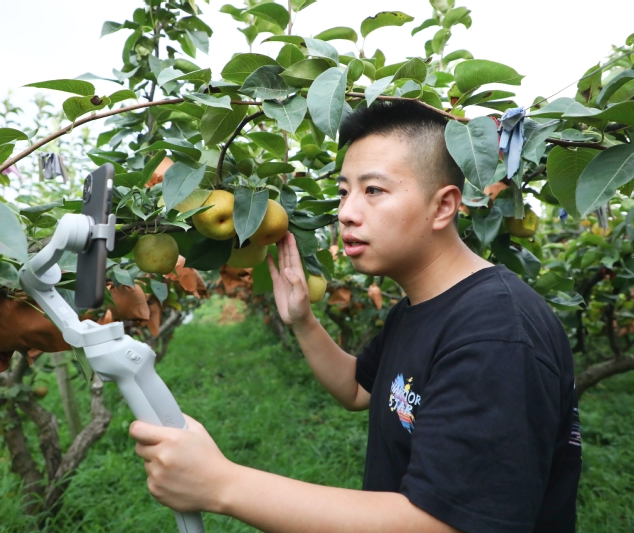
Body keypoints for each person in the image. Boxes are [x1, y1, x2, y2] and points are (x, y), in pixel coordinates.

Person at [129, 100, 582, 533]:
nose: (345, 213)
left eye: (373, 190)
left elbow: (443, 523)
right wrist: (303, 320)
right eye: (343, 192)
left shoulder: (496, 334)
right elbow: (358, 388)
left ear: (443, 206)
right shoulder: (420, 307)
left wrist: (222, 485)